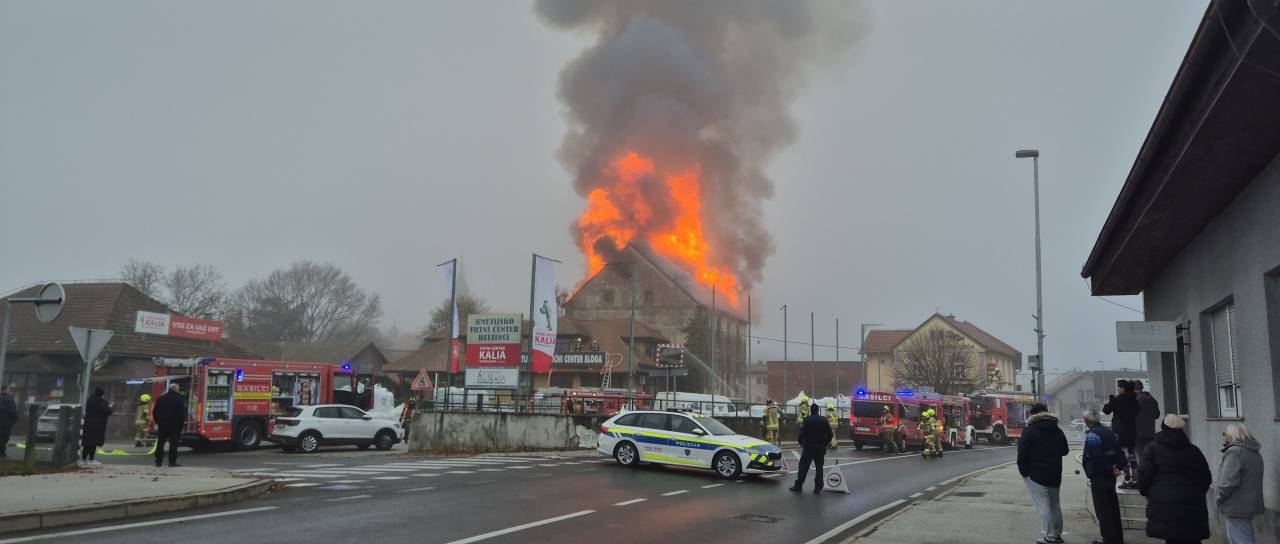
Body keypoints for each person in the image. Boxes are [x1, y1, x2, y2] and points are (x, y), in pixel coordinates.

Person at [1138, 414, 1212, 544]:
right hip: (1192, 505)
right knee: (1192, 538)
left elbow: (1144, 475)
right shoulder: (1194, 450)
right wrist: (1197, 493)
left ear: (1163, 427)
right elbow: (1205, 477)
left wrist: (1147, 492)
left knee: (1172, 538)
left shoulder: (1152, 449)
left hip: (1165, 506)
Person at [1017, 403, 1070, 544]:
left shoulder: (1029, 431)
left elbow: (1022, 453)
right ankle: (1057, 535)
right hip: (1055, 474)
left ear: (1033, 414)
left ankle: (1050, 536)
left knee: (1043, 506)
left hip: (1035, 475)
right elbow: (1065, 451)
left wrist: (1023, 472)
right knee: (1055, 506)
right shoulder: (1057, 430)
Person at [1083, 408, 1127, 544]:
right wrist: (1118, 467)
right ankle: (1117, 538)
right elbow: (1120, 453)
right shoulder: (1111, 433)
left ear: (1086, 420)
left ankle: (1108, 538)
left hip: (1099, 475)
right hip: (1111, 476)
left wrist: (1109, 468)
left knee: (1102, 508)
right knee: (1113, 507)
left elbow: (1095, 457)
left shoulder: (1092, 435)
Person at [1216, 423, 1264, 544]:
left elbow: (1227, 482)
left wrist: (1219, 498)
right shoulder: (1253, 452)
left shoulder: (1234, 452)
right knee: (1244, 538)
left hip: (1236, 506)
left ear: (1232, 436)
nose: (1223, 436)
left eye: (1225, 434)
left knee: (1240, 540)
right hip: (1249, 504)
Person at [789, 403, 833, 495]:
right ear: (818, 410)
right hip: (820, 448)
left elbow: (801, 433)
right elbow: (830, 434)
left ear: (811, 410)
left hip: (808, 447)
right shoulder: (824, 420)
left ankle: (799, 486)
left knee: (803, 467)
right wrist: (825, 443)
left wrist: (801, 442)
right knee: (819, 469)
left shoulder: (807, 420)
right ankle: (818, 488)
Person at [1104, 380, 1140, 488]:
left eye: (1118, 387)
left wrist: (1110, 401)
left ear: (1122, 388)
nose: (1117, 388)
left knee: (1123, 456)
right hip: (1132, 431)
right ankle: (1135, 480)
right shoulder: (1134, 400)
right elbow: (1137, 412)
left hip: (1120, 432)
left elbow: (1106, 410)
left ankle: (1127, 480)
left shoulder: (1117, 400)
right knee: (1132, 456)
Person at [152, 384, 188, 467]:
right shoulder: (179, 399)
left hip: (162, 424)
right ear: (176, 390)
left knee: (160, 443)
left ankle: (158, 461)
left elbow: (155, 411)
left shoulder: (161, 398)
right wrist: (181, 425)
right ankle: (172, 462)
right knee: (173, 444)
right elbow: (182, 414)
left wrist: (158, 422)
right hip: (175, 425)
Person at [80, 388, 113, 465]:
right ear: (101, 394)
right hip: (97, 425)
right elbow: (107, 411)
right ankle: (91, 459)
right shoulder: (100, 401)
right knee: (93, 443)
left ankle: (84, 459)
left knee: (87, 443)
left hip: (88, 424)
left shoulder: (90, 400)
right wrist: (110, 407)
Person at [1134, 380, 1160, 462]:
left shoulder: (1134, 400)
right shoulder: (1152, 400)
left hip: (1138, 434)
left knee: (1140, 458)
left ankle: (1143, 470)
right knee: (1151, 456)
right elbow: (1157, 415)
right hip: (1151, 433)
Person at [0, 384, 17, 459]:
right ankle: (1, 452)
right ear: (6, 389)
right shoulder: (9, 399)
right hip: (5, 423)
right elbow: (12, 412)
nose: (10, 391)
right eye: (9, 389)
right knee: (3, 438)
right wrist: (14, 420)